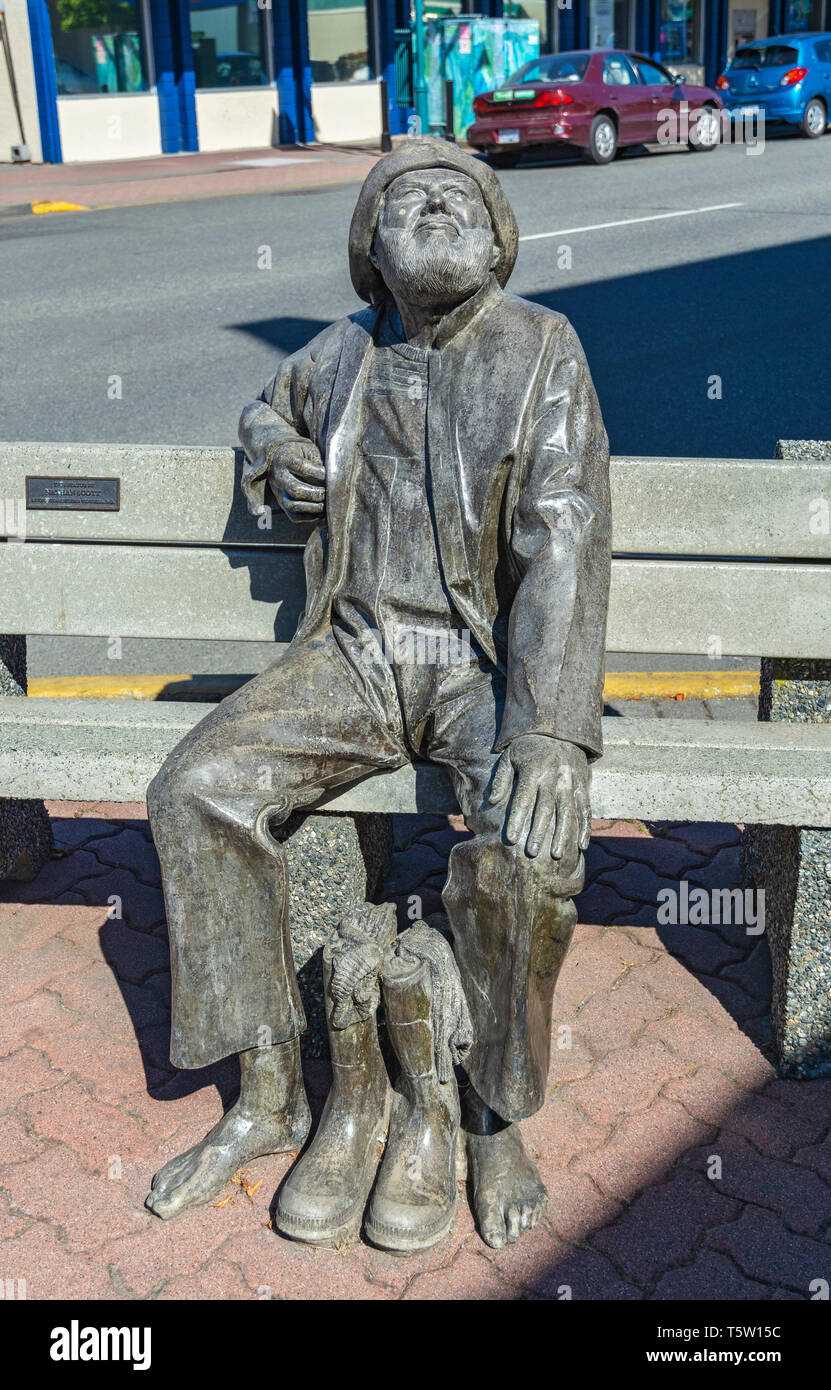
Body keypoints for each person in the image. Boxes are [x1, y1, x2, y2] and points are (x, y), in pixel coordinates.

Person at [145, 136, 611, 1251]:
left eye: (463, 197)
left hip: (475, 668)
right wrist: (273, 453)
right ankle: (270, 1095)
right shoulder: (340, 354)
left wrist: (548, 727)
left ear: (500, 242)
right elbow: (266, 408)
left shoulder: (543, 349)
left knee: (527, 839)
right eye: (411, 198)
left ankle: (492, 1112)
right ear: (372, 247)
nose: (439, 205)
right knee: (194, 787)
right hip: (351, 658)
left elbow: (565, 537)